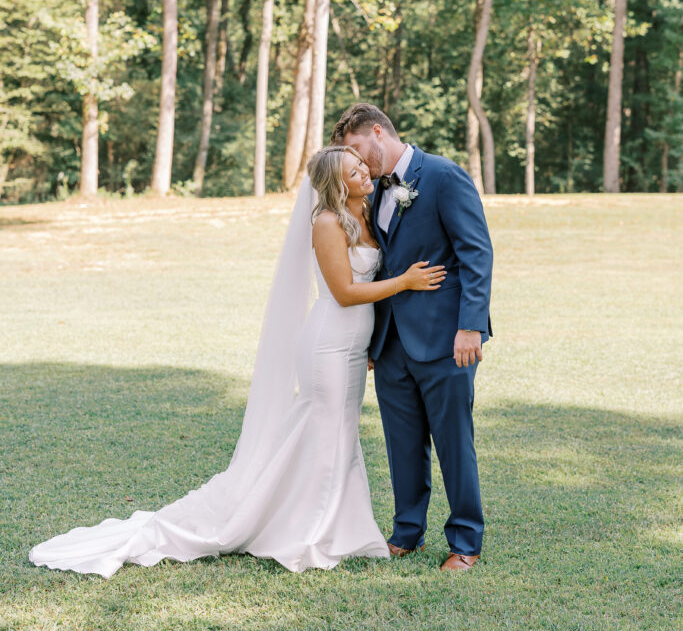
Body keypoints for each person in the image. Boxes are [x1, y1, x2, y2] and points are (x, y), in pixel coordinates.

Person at [29, 146, 446, 577]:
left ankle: (339, 527)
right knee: (325, 433)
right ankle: (306, 529)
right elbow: (343, 292)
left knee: (340, 433)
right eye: (352, 170)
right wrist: (405, 282)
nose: (363, 171)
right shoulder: (325, 222)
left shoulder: (369, 212)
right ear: (335, 184)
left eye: (361, 165)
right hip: (327, 344)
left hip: (355, 348)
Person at [332, 103, 493, 573]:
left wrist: (471, 326)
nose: (358, 164)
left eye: (359, 151)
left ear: (378, 132)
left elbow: (475, 253)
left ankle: (465, 542)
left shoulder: (442, 176)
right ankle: (407, 533)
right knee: (401, 443)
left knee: (452, 441)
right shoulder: (372, 191)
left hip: (446, 337)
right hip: (390, 342)